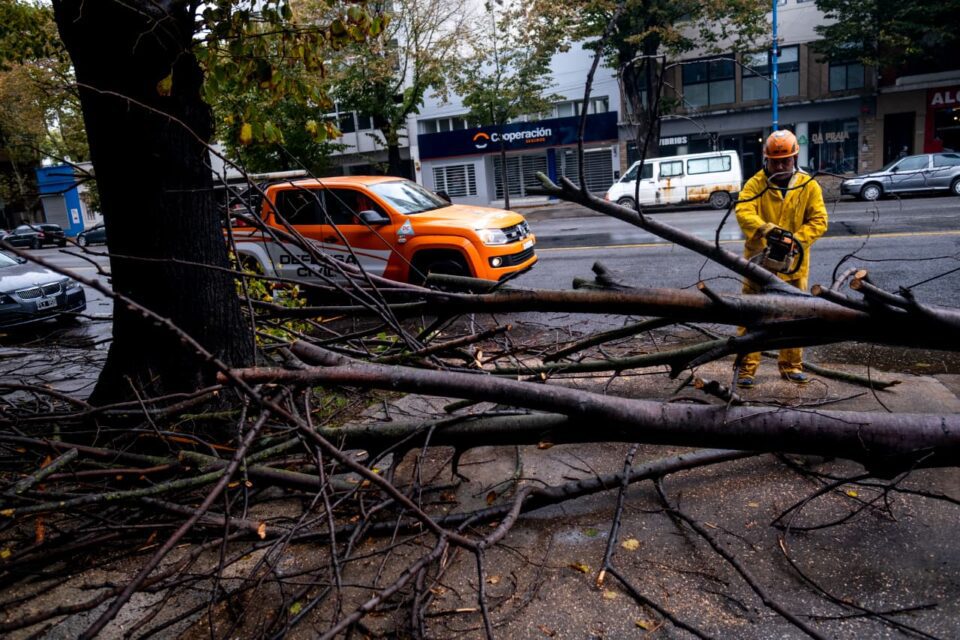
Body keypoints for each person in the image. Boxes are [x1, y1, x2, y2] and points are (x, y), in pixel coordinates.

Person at [735, 129, 828, 388]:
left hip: (793, 267)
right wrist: (768, 230)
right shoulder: (755, 184)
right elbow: (743, 211)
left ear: (794, 158)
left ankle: (791, 366)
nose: (779, 166)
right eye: (774, 161)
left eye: (785, 161)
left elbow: (819, 220)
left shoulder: (807, 185)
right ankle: (746, 368)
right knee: (752, 316)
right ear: (766, 159)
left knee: (795, 317)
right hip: (758, 264)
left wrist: (794, 242)